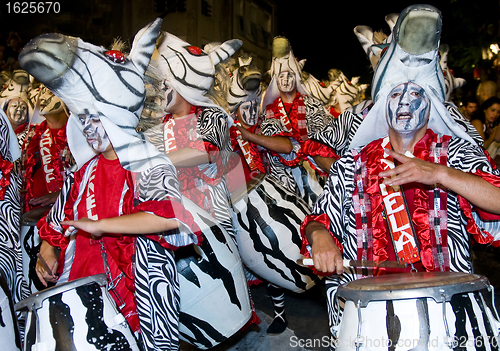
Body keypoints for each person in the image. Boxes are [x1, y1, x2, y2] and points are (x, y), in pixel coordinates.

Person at [300, 4, 500, 346]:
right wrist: (321, 239)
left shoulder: (453, 152)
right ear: (382, 104)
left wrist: (439, 174)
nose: (405, 101)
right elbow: (320, 219)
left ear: (432, 102)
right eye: (396, 92)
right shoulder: (355, 162)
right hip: (370, 316)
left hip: (447, 314)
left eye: (416, 92)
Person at [22, 18, 202, 350]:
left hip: (142, 292)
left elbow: (170, 218)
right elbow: (57, 224)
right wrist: (48, 249)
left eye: (96, 119)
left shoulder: (146, 161)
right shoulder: (83, 171)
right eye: (82, 120)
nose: (88, 129)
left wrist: (101, 225)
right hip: (86, 291)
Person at [238, 36, 338, 206]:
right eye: (281, 75)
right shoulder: (269, 110)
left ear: (297, 77)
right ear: (275, 78)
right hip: (284, 182)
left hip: (317, 178)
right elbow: (281, 145)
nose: (285, 80)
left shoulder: (312, 104)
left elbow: (325, 140)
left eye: (289, 75)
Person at [20, 86, 72, 212]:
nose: (42, 97)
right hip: (32, 218)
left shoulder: (85, 134)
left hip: (68, 215)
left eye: (49, 91)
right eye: (41, 93)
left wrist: (64, 194)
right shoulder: (28, 136)